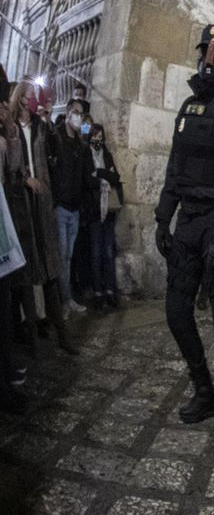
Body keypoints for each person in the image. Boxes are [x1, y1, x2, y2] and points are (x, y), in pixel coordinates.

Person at [155, 24, 214, 428]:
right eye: (203, 51)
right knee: (176, 310)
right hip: (187, 219)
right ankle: (204, 389)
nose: (206, 59)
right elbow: (175, 167)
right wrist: (161, 216)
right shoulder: (189, 109)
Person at [3, 80, 73, 356]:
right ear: (20, 99)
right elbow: (10, 165)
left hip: (42, 202)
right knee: (27, 274)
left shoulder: (41, 126)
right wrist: (24, 178)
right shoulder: (10, 128)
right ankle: (31, 337)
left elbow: (54, 152)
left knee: (50, 268)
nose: (34, 99)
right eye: (31, 95)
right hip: (22, 205)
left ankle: (62, 335)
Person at [47, 95, 93, 313]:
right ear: (67, 114)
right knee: (61, 256)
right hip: (61, 206)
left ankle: (66, 300)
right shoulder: (56, 139)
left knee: (69, 257)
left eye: (82, 114)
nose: (79, 117)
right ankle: (62, 302)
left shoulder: (80, 144)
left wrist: (85, 139)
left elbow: (85, 171)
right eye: (76, 113)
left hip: (75, 208)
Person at [82, 122, 124, 311]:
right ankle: (98, 292)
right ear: (89, 137)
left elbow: (116, 178)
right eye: (95, 137)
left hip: (108, 212)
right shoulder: (85, 156)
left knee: (108, 253)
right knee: (96, 254)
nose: (97, 140)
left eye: (100, 137)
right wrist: (105, 176)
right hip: (93, 211)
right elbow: (88, 181)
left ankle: (110, 290)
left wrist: (100, 172)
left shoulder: (106, 155)